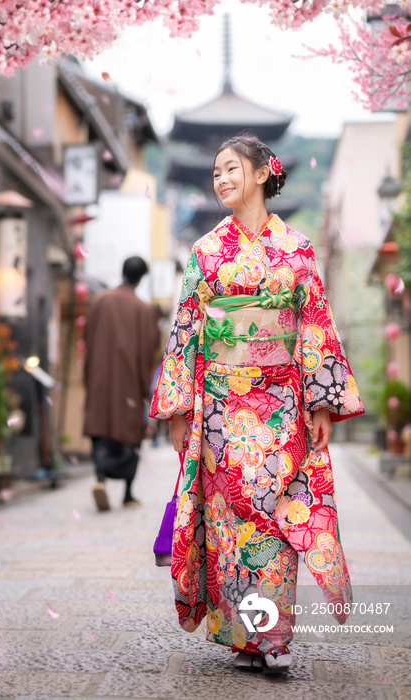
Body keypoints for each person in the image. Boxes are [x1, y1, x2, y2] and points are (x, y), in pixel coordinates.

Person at [150, 133, 364, 673]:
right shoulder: (204, 251)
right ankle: (246, 635)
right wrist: (179, 410)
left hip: (281, 403)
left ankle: (271, 637)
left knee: (276, 520)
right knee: (230, 523)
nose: (220, 179)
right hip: (221, 406)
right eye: (216, 171)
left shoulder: (297, 249)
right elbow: (187, 329)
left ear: (264, 172)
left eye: (231, 169)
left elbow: (314, 323)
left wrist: (321, 403)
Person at [84, 256, 159, 510]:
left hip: (100, 381)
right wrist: (144, 387)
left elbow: (88, 340)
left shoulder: (99, 301)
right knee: (129, 437)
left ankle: (101, 479)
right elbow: (150, 350)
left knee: (102, 430)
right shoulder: (144, 310)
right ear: (141, 278)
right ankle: (127, 493)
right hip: (128, 384)